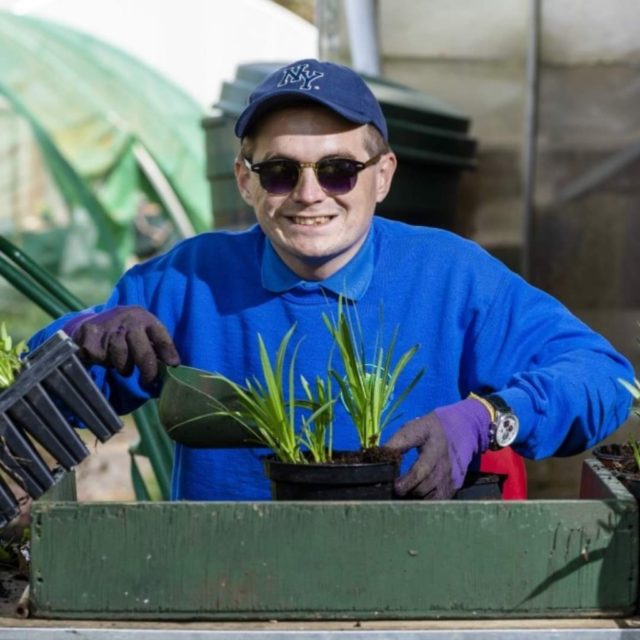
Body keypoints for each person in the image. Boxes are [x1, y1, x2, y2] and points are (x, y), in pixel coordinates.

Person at [29, 58, 634, 501]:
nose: (309, 194)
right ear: (244, 180)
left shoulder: (451, 277)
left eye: (340, 169)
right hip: (224, 587)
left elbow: (606, 378)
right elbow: (39, 400)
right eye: (279, 171)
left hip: (413, 587)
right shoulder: (187, 280)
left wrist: (486, 419)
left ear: (383, 176)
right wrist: (81, 332)